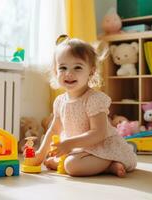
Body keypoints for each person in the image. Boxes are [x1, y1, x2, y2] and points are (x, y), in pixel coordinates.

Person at [28, 35, 137, 177]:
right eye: (63, 68)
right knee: (55, 160)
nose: (69, 73)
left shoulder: (94, 99)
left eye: (77, 67)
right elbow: (54, 130)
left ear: (91, 71)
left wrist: (69, 143)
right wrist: (40, 154)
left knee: (72, 166)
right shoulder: (60, 101)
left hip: (101, 147)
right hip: (79, 148)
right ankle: (67, 161)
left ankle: (109, 165)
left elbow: (99, 133)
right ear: (56, 71)